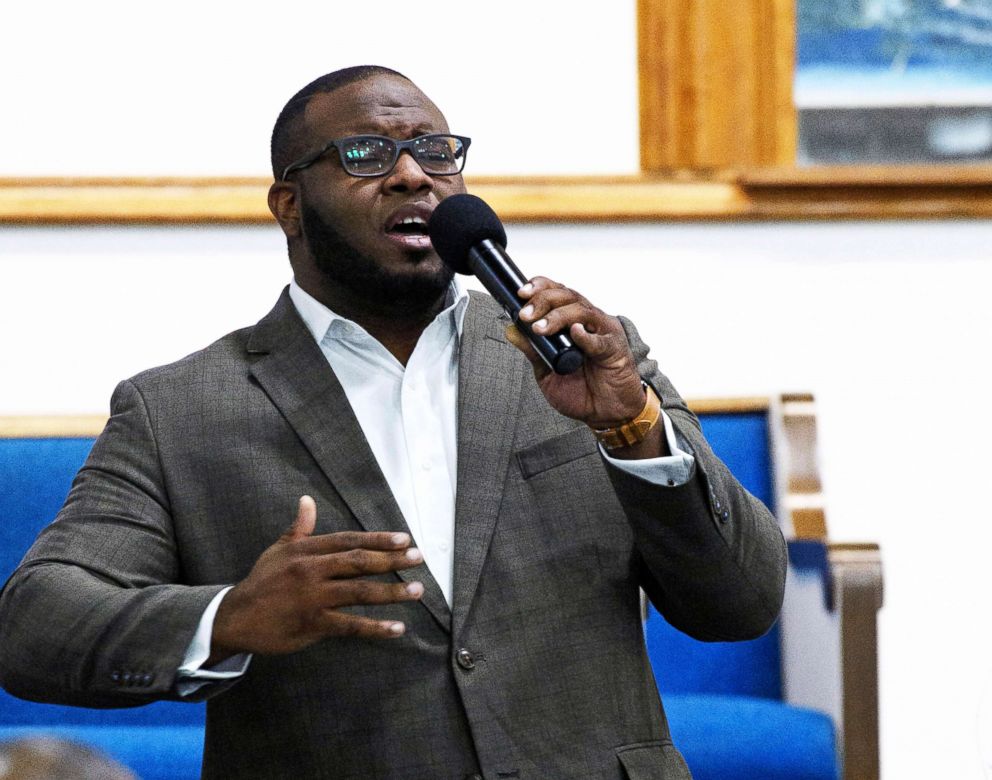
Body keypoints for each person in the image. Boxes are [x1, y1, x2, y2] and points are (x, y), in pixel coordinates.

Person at [0, 65, 787, 779]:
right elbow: (35, 625)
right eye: (365, 154)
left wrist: (634, 431)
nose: (413, 174)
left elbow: (742, 600)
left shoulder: (585, 358)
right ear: (289, 206)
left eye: (436, 152)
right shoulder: (181, 410)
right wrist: (230, 616)